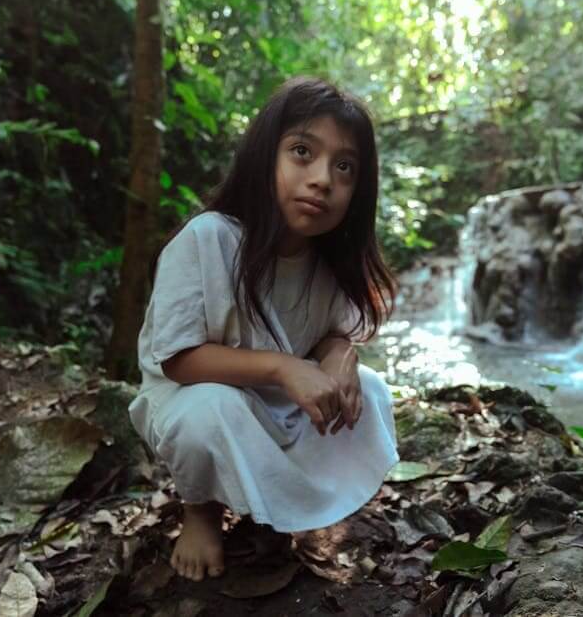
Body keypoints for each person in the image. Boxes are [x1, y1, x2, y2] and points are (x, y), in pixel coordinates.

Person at [128, 76, 400, 582]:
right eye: (302, 152)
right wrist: (283, 367)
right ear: (263, 156)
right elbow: (179, 360)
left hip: (277, 404)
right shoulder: (209, 238)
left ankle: (279, 510)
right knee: (210, 410)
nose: (322, 179)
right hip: (194, 399)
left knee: (369, 389)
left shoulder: (328, 261)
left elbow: (337, 331)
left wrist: (340, 357)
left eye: (344, 166)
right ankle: (201, 509)